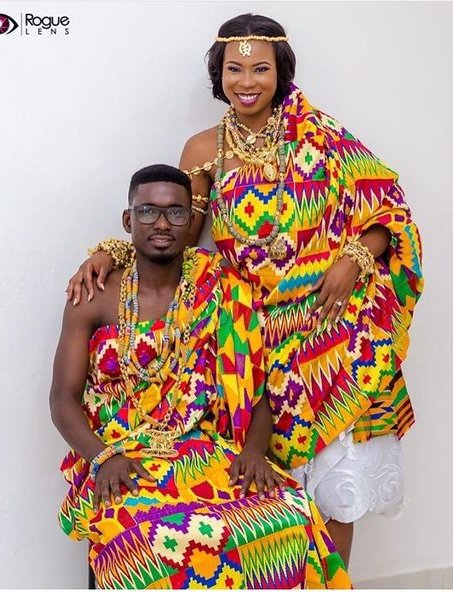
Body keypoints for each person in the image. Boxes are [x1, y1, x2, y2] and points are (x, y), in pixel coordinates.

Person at [66, 14, 423, 565]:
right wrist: (112, 252)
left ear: (281, 72)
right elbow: (179, 228)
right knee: (270, 485)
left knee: (335, 488)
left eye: (261, 68)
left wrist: (355, 257)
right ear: (219, 74)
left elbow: (388, 207)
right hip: (252, 335)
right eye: (235, 68)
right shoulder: (204, 147)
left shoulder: (321, 135)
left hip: (331, 329)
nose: (247, 80)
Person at [51, 164, 351, 589]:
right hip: (120, 457)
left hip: (203, 453)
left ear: (191, 221)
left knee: (292, 514)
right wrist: (103, 459)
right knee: (144, 542)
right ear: (127, 220)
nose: (160, 223)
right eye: (147, 212)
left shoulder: (221, 288)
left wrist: (253, 453)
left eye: (175, 213)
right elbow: (62, 399)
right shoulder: (94, 295)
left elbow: (254, 392)